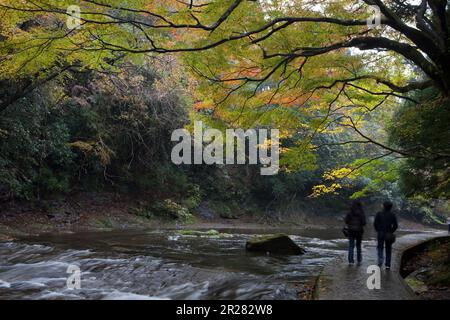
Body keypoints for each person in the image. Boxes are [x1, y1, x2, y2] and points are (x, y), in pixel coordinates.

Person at [374, 201, 398, 270]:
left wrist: (378, 230)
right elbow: (395, 225)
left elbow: (375, 223)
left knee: (380, 247)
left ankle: (380, 260)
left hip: (380, 232)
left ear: (384, 206)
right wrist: (391, 231)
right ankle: (388, 265)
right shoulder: (392, 215)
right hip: (388, 233)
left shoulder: (379, 214)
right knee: (388, 249)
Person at [345, 200, 366, 266]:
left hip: (351, 231)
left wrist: (350, 224)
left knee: (351, 246)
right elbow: (364, 223)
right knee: (358, 246)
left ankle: (351, 261)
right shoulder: (362, 213)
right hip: (359, 231)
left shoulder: (350, 212)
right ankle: (359, 260)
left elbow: (346, 221)